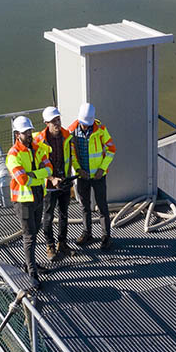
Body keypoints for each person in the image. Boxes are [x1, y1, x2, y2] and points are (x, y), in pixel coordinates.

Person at [5, 116, 53, 286]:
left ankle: (30, 264)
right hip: (23, 200)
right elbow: (22, 180)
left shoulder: (38, 148)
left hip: (38, 195)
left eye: (30, 131)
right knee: (29, 236)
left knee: (35, 230)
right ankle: (32, 274)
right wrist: (37, 175)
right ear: (17, 134)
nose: (29, 134)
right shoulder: (13, 155)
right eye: (25, 132)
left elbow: (49, 169)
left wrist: (34, 174)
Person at [69, 103, 115, 250]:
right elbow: (72, 154)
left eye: (87, 124)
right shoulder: (71, 131)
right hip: (82, 176)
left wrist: (102, 169)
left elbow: (111, 149)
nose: (85, 127)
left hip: (98, 176)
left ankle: (106, 236)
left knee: (102, 206)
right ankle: (87, 233)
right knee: (84, 206)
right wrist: (78, 170)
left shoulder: (101, 130)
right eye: (83, 124)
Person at [34, 106, 74, 261]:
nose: (57, 123)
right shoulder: (39, 141)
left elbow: (70, 157)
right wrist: (51, 179)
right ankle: (50, 245)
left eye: (58, 119)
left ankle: (62, 243)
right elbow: (39, 164)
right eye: (53, 121)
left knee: (64, 214)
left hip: (64, 181)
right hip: (49, 185)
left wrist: (69, 180)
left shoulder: (66, 135)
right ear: (46, 123)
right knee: (48, 216)